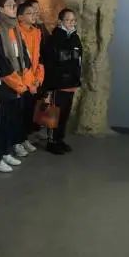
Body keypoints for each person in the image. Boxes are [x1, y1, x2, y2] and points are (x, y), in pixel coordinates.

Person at [0, 0, 30, 173]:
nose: (14, 8)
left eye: (14, 5)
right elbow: (0, 65)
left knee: (10, 121)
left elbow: (23, 55)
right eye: (10, 6)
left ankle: (5, 152)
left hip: (16, 83)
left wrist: (24, 79)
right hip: (1, 85)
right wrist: (18, 84)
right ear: (0, 9)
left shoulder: (14, 28)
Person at [42, 8, 82, 154]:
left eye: (73, 20)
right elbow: (51, 63)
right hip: (58, 84)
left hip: (71, 84)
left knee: (65, 114)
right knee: (54, 114)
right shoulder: (54, 39)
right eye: (68, 20)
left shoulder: (75, 37)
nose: (71, 23)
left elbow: (77, 60)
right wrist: (49, 86)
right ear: (60, 21)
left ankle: (60, 139)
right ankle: (52, 141)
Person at [17, 0, 44, 153]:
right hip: (21, 81)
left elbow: (38, 57)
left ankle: (24, 138)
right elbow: (21, 61)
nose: (34, 15)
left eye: (34, 13)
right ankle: (17, 141)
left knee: (29, 112)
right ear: (20, 17)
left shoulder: (36, 32)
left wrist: (38, 78)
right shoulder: (16, 32)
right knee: (19, 114)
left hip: (33, 80)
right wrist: (30, 83)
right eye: (29, 13)